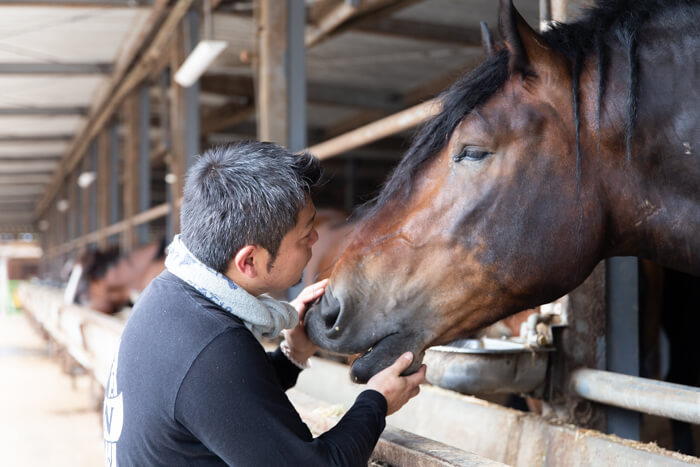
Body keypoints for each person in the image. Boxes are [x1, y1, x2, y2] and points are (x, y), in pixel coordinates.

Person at [103, 141, 426, 466]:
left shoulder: (167, 298)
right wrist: (376, 400)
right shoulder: (213, 346)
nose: (316, 238)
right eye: (305, 234)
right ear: (250, 261)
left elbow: (229, 401)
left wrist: (292, 355)